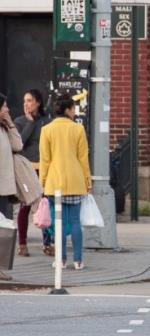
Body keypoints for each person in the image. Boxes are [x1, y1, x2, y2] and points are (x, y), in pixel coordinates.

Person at [39, 94, 91, 270]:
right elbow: (83, 158)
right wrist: (87, 181)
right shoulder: (78, 129)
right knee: (75, 221)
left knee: (58, 222)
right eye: (73, 109)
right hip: (76, 181)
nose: (75, 112)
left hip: (54, 183)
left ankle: (61, 259)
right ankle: (78, 260)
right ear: (67, 110)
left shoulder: (47, 130)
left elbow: (45, 160)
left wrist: (43, 182)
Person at [13, 89, 54, 257]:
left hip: (44, 168)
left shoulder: (47, 121)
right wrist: (29, 123)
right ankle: (22, 243)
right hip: (27, 169)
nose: (26, 104)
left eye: (29, 100)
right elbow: (19, 143)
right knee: (25, 206)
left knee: (44, 206)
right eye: (24, 101)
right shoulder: (19, 121)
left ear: (38, 102)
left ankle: (47, 243)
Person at [0, 93, 23, 281]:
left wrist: (10, 124)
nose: (8, 110)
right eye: (4, 107)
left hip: (5, 189)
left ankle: (0, 267)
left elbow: (18, 145)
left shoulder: (5, 128)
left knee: (5, 229)